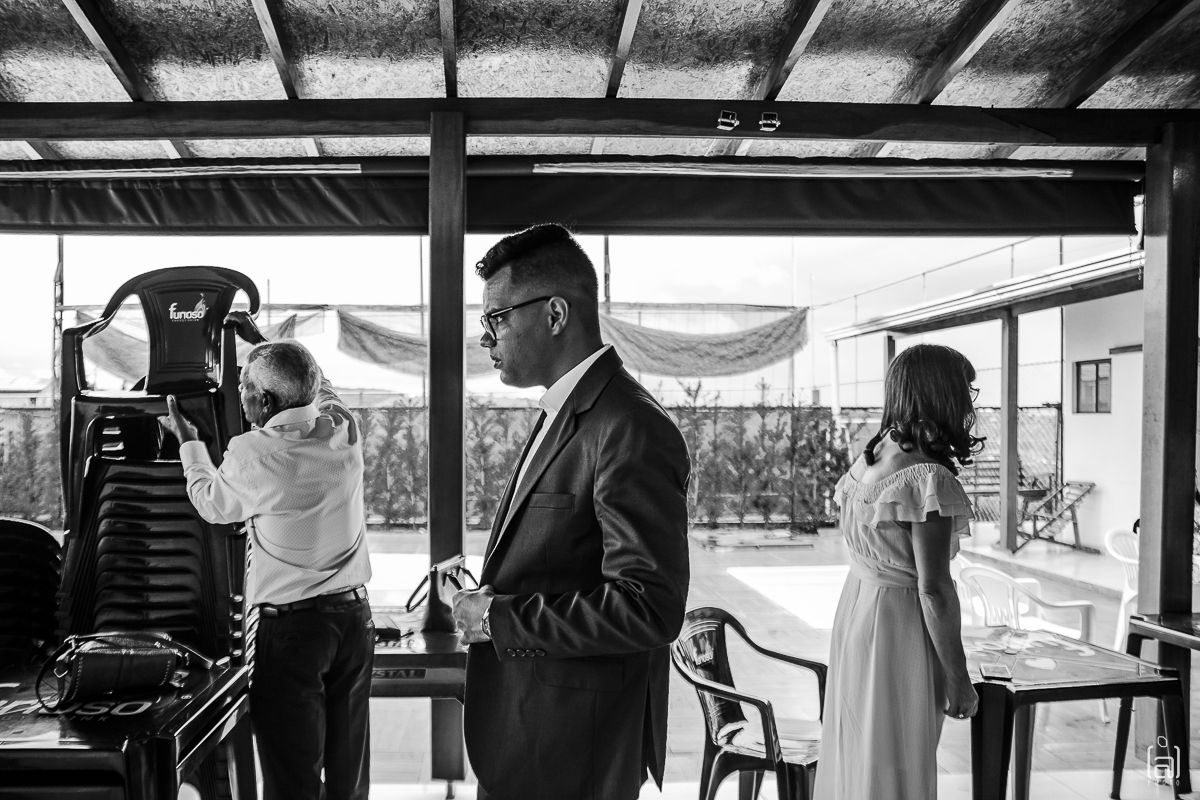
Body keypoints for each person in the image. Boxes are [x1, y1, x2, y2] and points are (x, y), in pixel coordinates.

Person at [451, 223, 691, 800]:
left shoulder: (630, 425)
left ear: (555, 314)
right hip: (533, 733)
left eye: (496, 318)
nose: (485, 337)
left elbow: (649, 606)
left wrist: (498, 619)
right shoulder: (567, 409)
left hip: (574, 747)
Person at [159, 322, 373, 800]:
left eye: (244, 386)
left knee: (291, 776)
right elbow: (319, 384)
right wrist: (263, 343)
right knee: (349, 774)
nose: (239, 395)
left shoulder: (253, 454)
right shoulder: (343, 428)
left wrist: (188, 441)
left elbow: (211, 501)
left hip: (293, 632)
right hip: (355, 623)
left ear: (266, 401)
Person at [813, 343, 981, 800]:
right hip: (900, 629)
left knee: (865, 753)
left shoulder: (871, 457)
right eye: (964, 390)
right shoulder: (926, 477)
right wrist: (958, 677)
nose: (969, 402)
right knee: (900, 762)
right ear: (941, 393)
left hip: (858, 616)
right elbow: (934, 589)